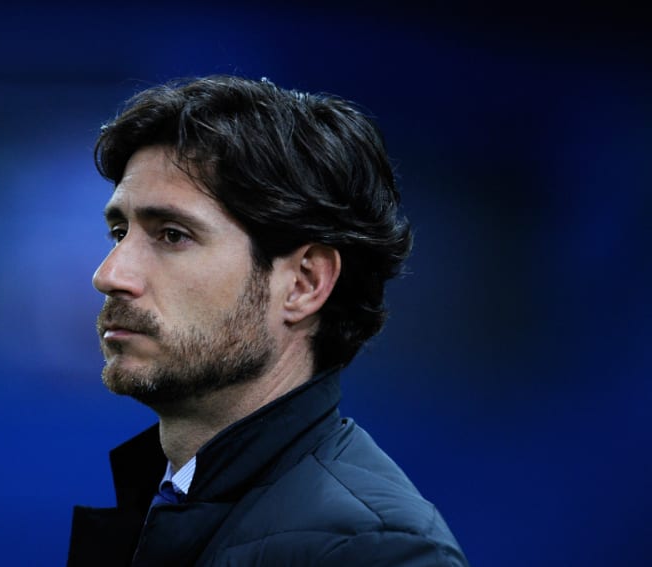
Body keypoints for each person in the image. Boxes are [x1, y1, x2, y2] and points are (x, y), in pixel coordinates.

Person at [68, 75, 468, 566]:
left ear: (303, 283)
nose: (109, 275)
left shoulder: (377, 552)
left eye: (172, 234)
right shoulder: (170, 502)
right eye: (119, 232)